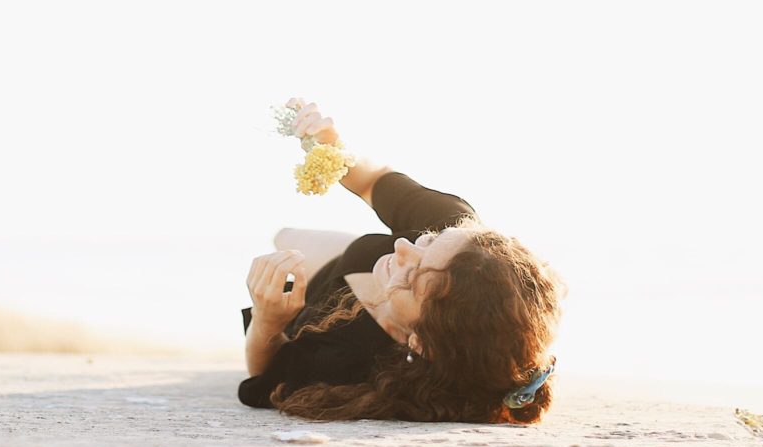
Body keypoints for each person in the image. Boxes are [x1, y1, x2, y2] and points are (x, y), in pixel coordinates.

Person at [238, 99, 566, 424]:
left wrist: (268, 320)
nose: (400, 248)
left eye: (413, 280)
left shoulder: (347, 361)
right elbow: (372, 180)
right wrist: (329, 146)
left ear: (420, 343)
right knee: (285, 235)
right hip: (347, 257)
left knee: (279, 255)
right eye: (428, 240)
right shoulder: (457, 231)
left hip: (305, 319)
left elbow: (265, 377)